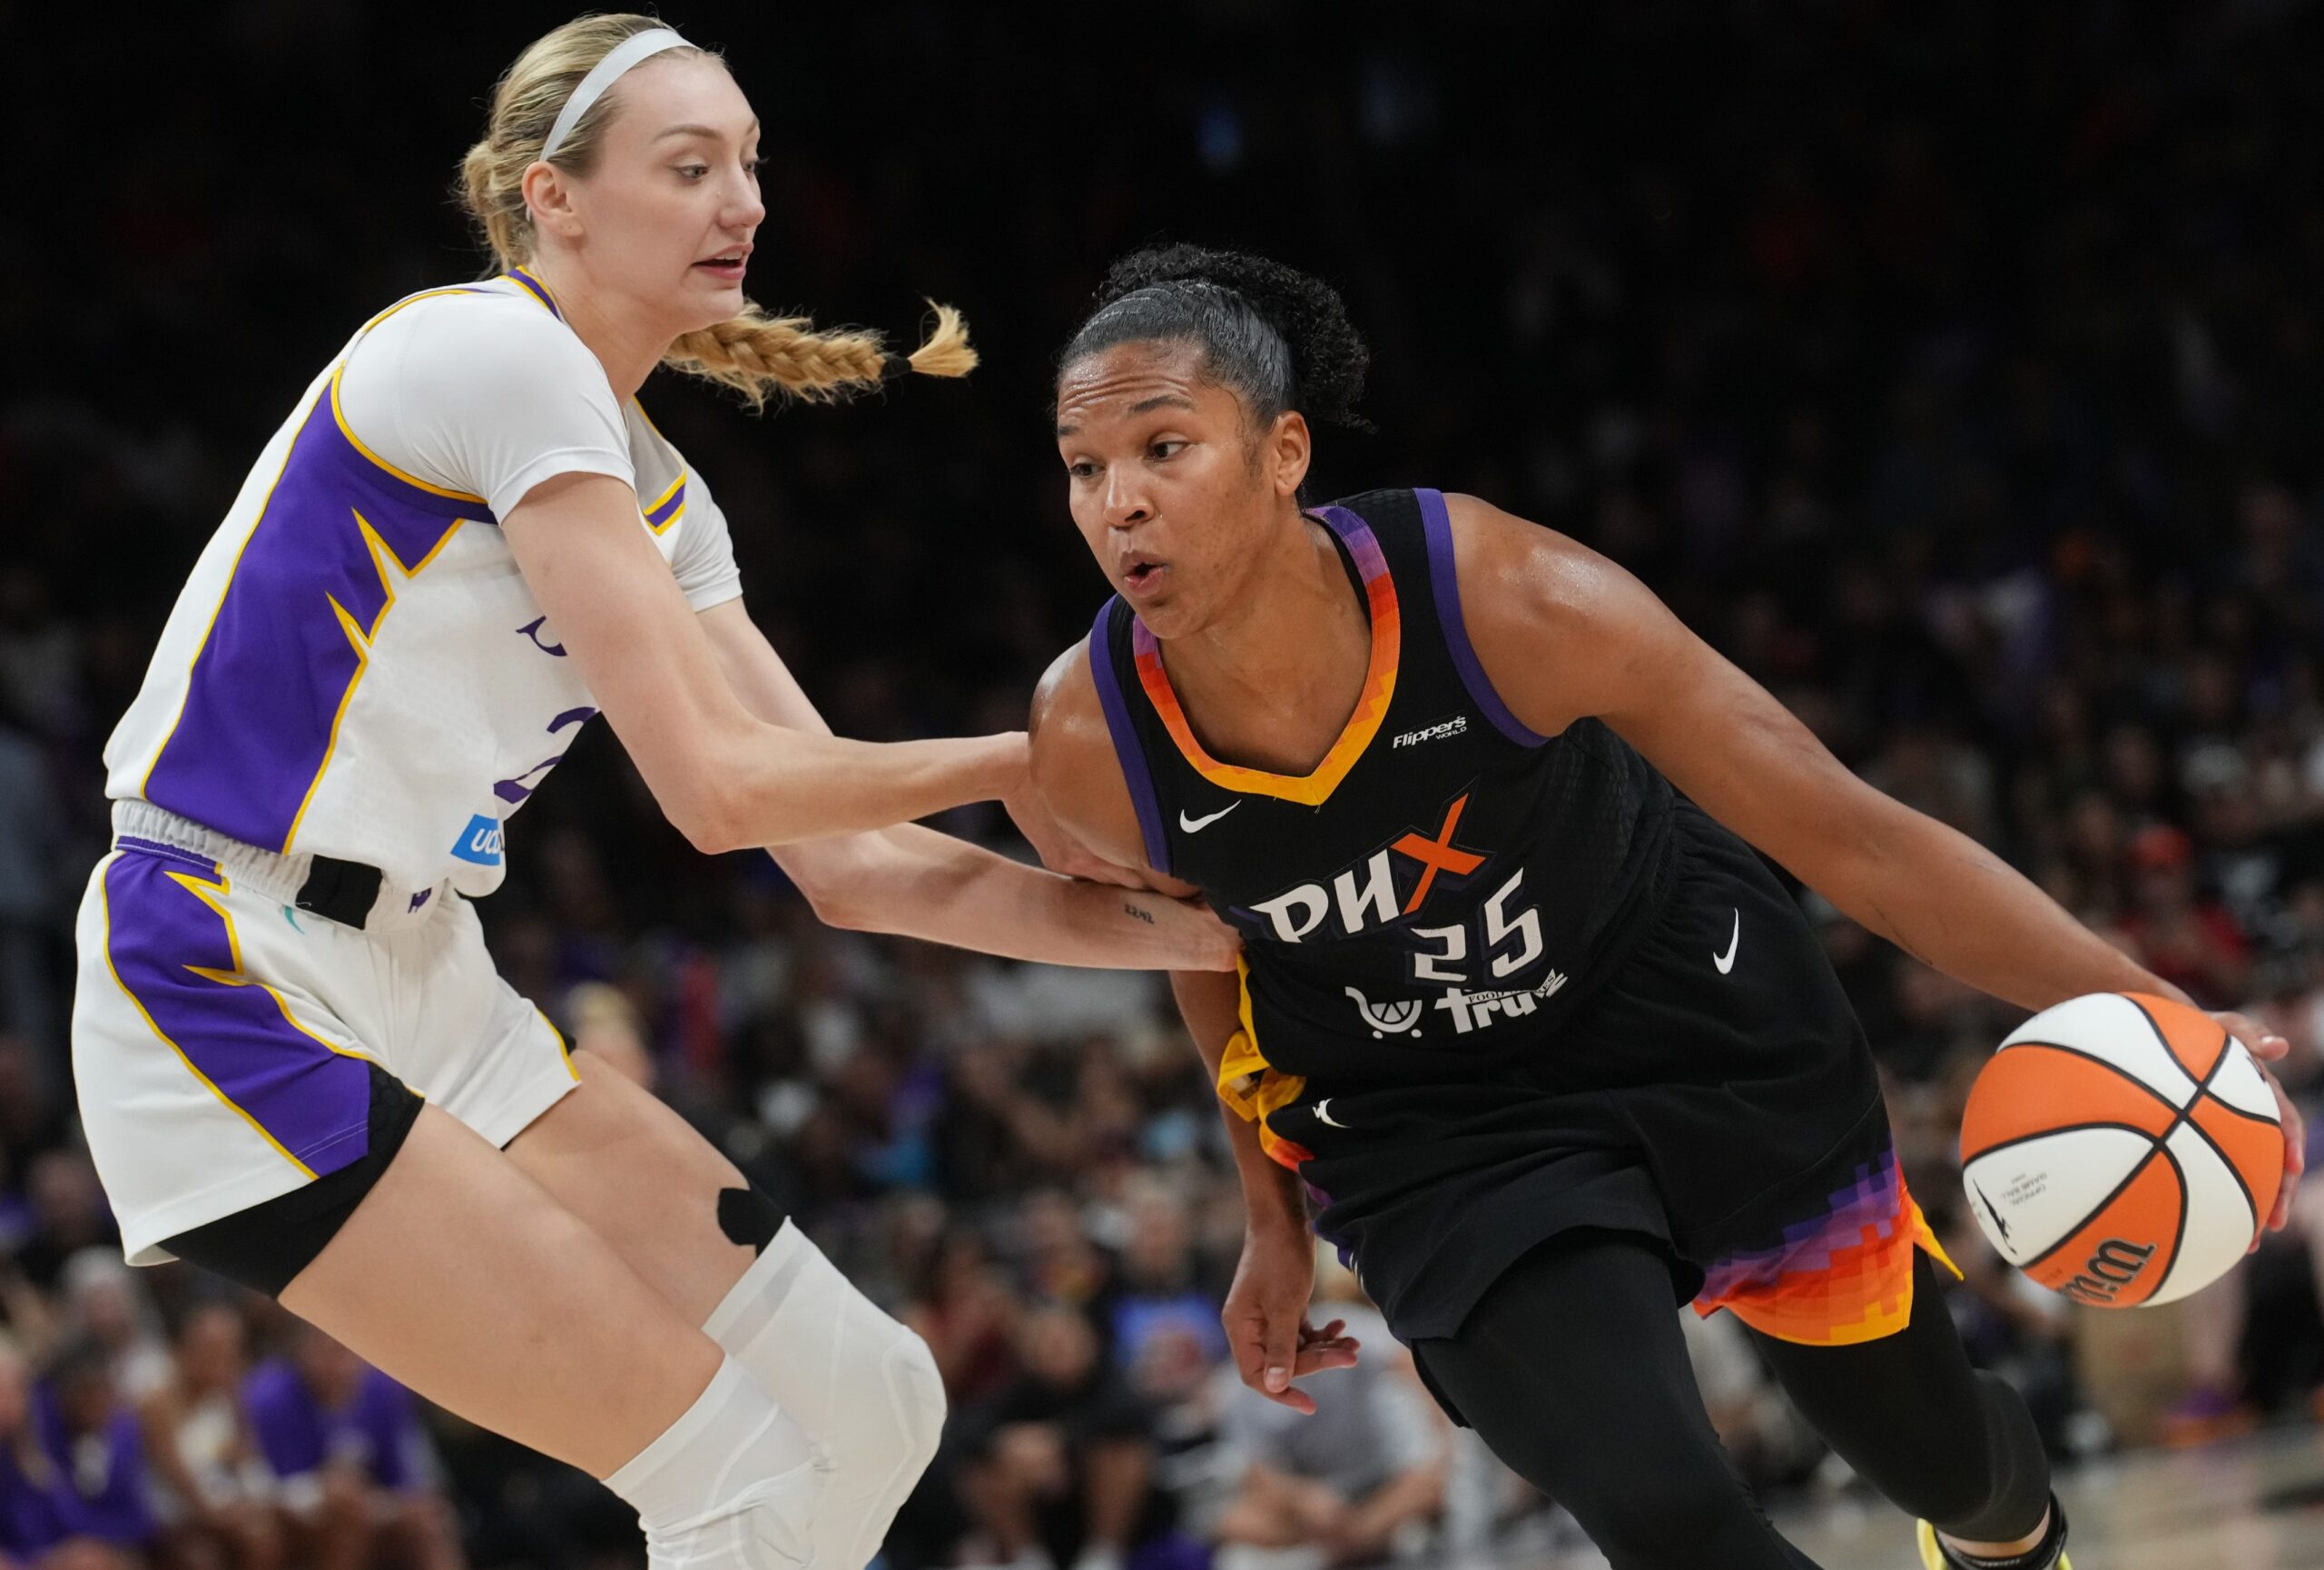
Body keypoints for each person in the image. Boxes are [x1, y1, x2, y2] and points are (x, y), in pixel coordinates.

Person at [69, 18, 1233, 1570]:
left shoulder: (667, 498)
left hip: (431, 974)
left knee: (879, 1401)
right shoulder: (488, 352)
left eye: (748, 165)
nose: (742, 202)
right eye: (690, 168)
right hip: (224, 961)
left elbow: (855, 864)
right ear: (555, 200)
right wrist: (1029, 756)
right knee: (736, 1482)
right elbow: (714, 789)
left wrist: (1225, 941)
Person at [1026, 244, 2309, 1570]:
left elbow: (1852, 835)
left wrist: (2154, 1006)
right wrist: (1269, 1213)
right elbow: (1200, 951)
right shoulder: (1088, 736)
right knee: (1668, 1514)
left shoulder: (1508, 601)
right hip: (1433, 1128)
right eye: (1084, 469)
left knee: (1956, 1467)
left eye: (1164, 449)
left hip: (1693, 1007)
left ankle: (1999, 1535)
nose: (1120, 503)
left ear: (1284, 451)